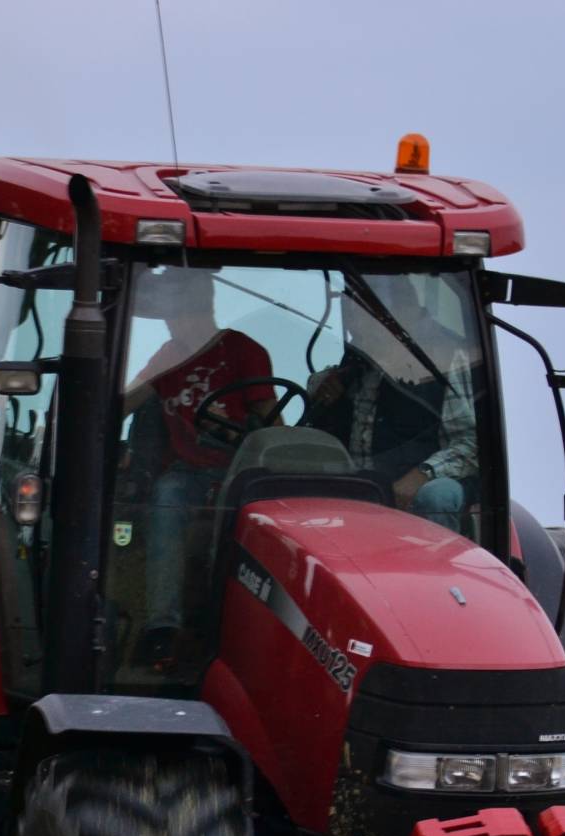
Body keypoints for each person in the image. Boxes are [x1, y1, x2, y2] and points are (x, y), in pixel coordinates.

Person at [122, 268, 277, 668]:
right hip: (188, 475)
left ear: (200, 307)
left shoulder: (243, 350)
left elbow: (271, 426)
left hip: (239, 470)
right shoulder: (169, 355)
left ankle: (241, 631)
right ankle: (163, 628)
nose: (174, 320)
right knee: (167, 494)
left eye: (178, 309)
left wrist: (238, 433)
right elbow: (125, 403)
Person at [306, 274, 478, 532]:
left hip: (424, 480)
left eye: (361, 316)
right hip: (364, 483)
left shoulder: (447, 354)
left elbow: (472, 442)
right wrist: (324, 391)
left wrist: (422, 475)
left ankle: (433, 568)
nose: (355, 328)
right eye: (350, 314)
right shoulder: (361, 356)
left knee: (436, 497)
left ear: (400, 310)